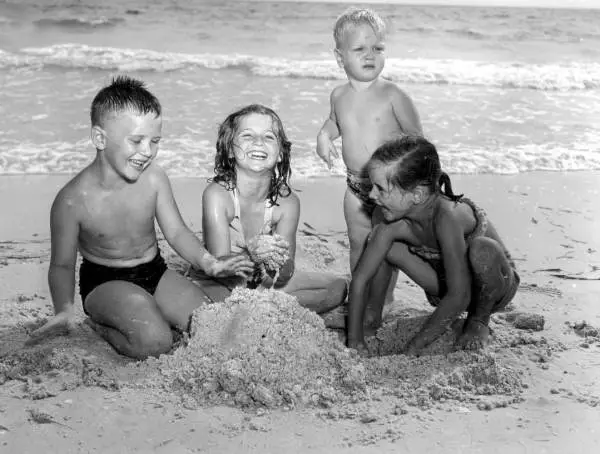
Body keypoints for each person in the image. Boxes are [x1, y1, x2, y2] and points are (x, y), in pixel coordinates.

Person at [28, 76, 254, 359]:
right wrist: (63, 309)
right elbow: (61, 265)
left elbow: (177, 232)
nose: (147, 152)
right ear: (100, 138)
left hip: (154, 272)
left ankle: (149, 310)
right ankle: (100, 328)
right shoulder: (72, 200)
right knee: (155, 342)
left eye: (155, 141)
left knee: (211, 326)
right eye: (136, 141)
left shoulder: (154, 178)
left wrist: (208, 262)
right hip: (104, 283)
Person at [347, 136, 520, 356]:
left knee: (482, 250)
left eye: (380, 189)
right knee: (380, 243)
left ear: (417, 195)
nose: (371, 195)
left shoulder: (447, 217)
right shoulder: (386, 215)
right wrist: (355, 340)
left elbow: (461, 295)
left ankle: (478, 320)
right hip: (446, 285)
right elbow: (361, 279)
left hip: (493, 286)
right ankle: (373, 317)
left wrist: (414, 347)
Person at [316, 7, 423, 305]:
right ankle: (361, 298)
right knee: (358, 242)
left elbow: (418, 140)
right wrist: (324, 135)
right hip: (354, 186)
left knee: (385, 246)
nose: (370, 55)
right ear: (340, 58)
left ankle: (384, 299)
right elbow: (335, 122)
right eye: (360, 48)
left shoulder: (394, 95)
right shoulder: (338, 95)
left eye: (378, 48)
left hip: (388, 188)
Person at [200, 103, 348, 316]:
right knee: (212, 302)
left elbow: (286, 272)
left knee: (337, 288)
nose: (258, 142)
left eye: (269, 137)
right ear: (230, 149)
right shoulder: (217, 195)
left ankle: (260, 310)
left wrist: (275, 260)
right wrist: (254, 250)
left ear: (280, 153)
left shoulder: (287, 202)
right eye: (247, 136)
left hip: (262, 283)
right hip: (220, 282)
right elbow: (218, 265)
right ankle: (266, 311)